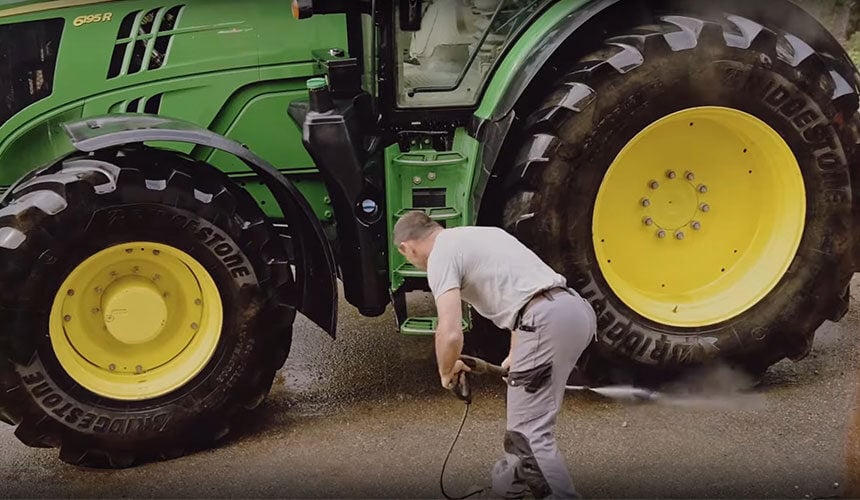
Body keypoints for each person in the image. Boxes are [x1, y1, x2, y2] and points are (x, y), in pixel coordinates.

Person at [393, 211, 597, 498]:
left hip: (545, 322)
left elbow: (449, 332)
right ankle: (508, 490)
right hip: (574, 312)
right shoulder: (483, 235)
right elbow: (522, 294)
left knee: (528, 434)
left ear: (407, 248)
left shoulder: (440, 255)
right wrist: (515, 354)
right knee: (523, 420)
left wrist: (446, 370)